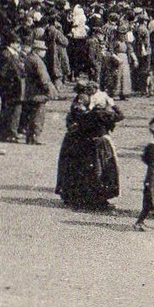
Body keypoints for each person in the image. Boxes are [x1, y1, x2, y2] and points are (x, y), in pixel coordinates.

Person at [56, 79, 123, 211]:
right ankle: (97, 199)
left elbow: (76, 120)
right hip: (99, 144)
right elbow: (120, 115)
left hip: (82, 142)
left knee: (79, 170)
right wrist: (113, 105)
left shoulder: (83, 111)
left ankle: (75, 196)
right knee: (101, 172)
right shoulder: (101, 113)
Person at [18, 37, 53, 145]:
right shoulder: (38, 61)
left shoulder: (28, 59)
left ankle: (29, 137)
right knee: (38, 115)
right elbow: (44, 78)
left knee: (31, 115)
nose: (44, 52)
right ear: (37, 50)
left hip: (29, 91)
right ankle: (35, 137)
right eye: (43, 50)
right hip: (38, 92)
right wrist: (50, 90)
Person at [0, 37, 24, 143]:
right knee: (12, 111)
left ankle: (5, 134)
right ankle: (10, 133)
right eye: (17, 43)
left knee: (7, 110)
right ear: (11, 44)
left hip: (8, 88)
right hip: (11, 87)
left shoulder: (8, 54)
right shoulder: (8, 55)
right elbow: (4, 72)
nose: (19, 46)